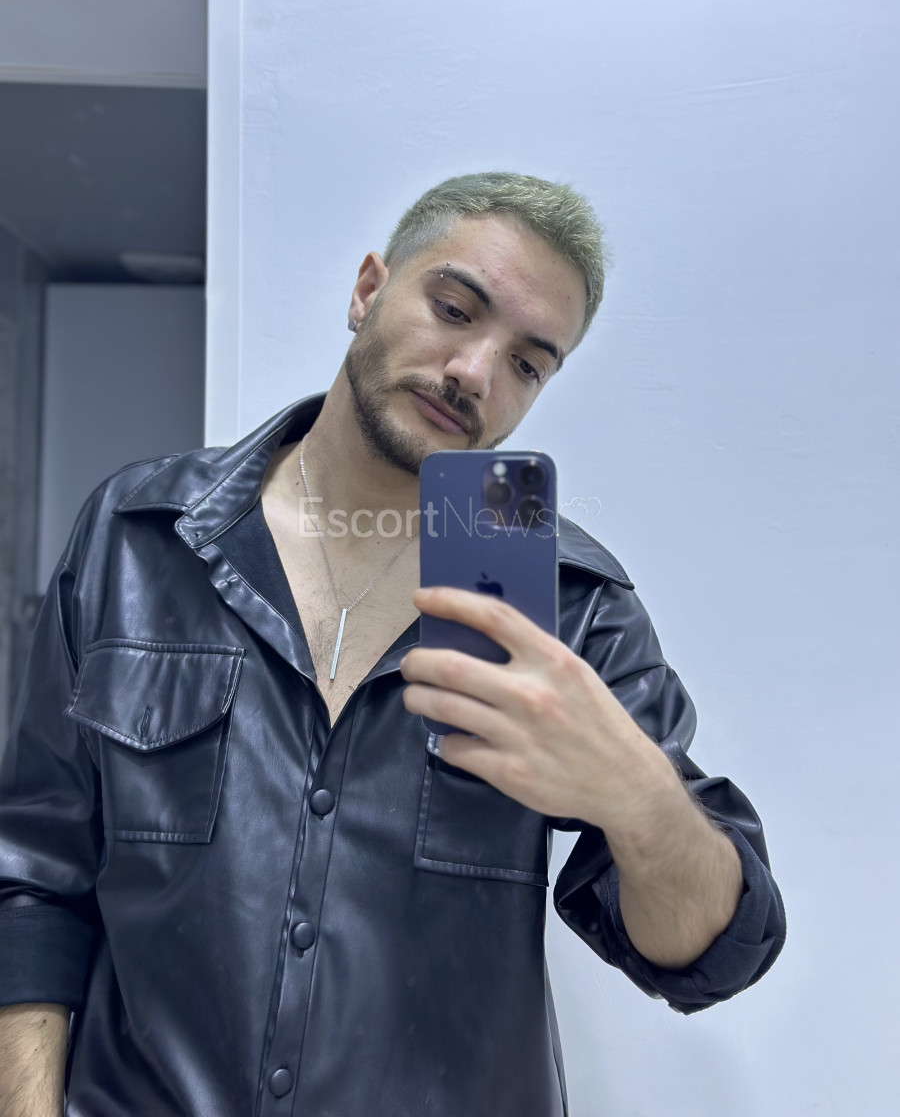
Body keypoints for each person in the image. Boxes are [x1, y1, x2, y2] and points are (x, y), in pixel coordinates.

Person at [0, 173, 785, 1117]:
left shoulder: (569, 602)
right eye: (455, 309)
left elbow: (712, 955)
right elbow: (33, 874)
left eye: (527, 364)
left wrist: (638, 795)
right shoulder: (139, 534)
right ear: (368, 289)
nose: (475, 373)